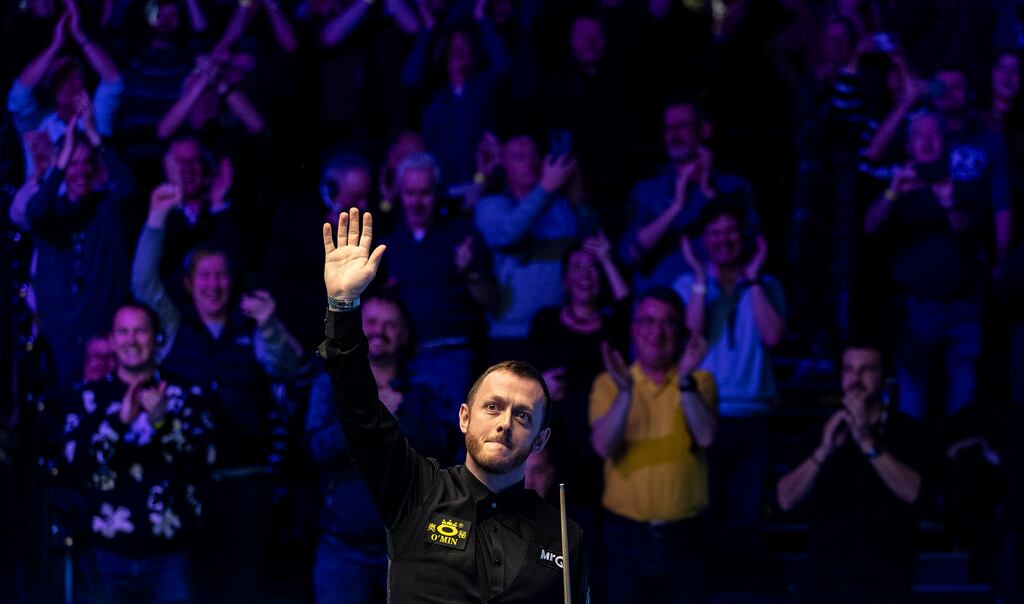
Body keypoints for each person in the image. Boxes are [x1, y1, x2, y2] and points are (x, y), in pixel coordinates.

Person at [317, 207, 588, 603]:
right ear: (464, 417)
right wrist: (342, 306)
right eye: (492, 407)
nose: (505, 423)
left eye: (523, 415)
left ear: (541, 440)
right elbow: (360, 412)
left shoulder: (564, 535)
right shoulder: (417, 491)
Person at [132, 183, 301, 603]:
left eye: (221, 275)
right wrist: (155, 221)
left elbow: (286, 366)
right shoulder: (172, 328)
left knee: (246, 586)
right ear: (189, 284)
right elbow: (143, 284)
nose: (214, 284)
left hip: (247, 478)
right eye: (204, 276)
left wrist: (270, 324)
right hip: (190, 480)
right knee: (197, 587)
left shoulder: (252, 325)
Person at [306, 293, 456, 604]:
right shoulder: (330, 384)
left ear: (404, 335)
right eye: (371, 322)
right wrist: (368, 414)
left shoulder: (427, 387)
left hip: (411, 550)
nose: (378, 331)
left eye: (390, 326)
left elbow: (443, 451)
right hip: (343, 549)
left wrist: (402, 420)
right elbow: (317, 449)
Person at [61, 303, 214, 604]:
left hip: (170, 555)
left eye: (141, 331)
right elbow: (71, 463)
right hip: (105, 554)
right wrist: (119, 423)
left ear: (157, 337)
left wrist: (161, 421)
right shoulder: (89, 397)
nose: (131, 340)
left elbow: (204, 457)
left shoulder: (184, 393)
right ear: (113, 340)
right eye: (123, 332)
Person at [674, 203, 785, 580]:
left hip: (753, 415)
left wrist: (752, 280)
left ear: (745, 236)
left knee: (746, 515)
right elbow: (692, 338)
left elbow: (773, 336)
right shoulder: (688, 285)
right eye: (716, 233)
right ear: (704, 240)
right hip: (704, 414)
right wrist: (700, 277)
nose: (724, 240)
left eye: (731, 231)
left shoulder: (766, 286)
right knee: (707, 511)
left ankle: (742, 587)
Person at [589, 288, 717, 603]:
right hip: (624, 539)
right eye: (647, 321)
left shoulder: (700, 381)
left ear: (680, 332)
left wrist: (685, 381)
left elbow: (706, 437)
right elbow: (603, 446)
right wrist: (625, 392)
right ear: (633, 329)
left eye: (667, 323)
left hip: (685, 538)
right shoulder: (608, 383)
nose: (656, 333)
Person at [776, 344, 928, 603]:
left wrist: (867, 442)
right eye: (849, 370)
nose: (856, 379)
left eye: (867, 369)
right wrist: (823, 451)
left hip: (887, 580)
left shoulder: (908, 432)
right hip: (825, 581)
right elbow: (786, 499)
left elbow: (914, 493)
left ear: (884, 377)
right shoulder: (820, 433)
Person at [863, 112, 984, 419]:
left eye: (934, 135)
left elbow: (971, 233)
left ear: (945, 141)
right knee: (913, 407)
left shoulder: (964, 178)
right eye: (919, 135)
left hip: (962, 309)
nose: (927, 142)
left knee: (963, 405)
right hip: (914, 313)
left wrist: (949, 204)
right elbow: (871, 226)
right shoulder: (900, 182)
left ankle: (961, 463)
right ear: (908, 144)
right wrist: (893, 192)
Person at [25, 111, 135, 388]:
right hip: (60, 335)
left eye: (87, 163)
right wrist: (58, 166)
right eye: (73, 164)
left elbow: (128, 187)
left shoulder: (107, 207)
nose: (81, 171)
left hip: (101, 333)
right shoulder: (52, 211)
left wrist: (96, 138)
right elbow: (34, 211)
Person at [380, 152, 497, 410]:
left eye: (425, 193)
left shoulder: (461, 235)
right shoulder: (388, 240)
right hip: (403, 358)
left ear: (438, 193)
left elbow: (491, 300)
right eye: (410, 193)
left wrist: (468, 272)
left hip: (452, 354)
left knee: (451, 434)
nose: (417, 202)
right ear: (399, 193)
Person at [619, 99, 759, 293]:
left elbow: (749, 248)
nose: (674, 135)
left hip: (716, 303)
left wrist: (708, 191)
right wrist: (676, 207)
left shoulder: (734, 188)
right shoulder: (646, 190)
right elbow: (629, 255)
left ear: (705, 130)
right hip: (660, 309)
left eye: (682, 126)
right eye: (668, 129)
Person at [474, 135, 593, 361]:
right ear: (504, 165)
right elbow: (506, 234)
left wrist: (577, 186)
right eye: (520, 157)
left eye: (534, 156)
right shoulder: (490, 206)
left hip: (558, 326)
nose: (530, 162)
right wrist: (545, 188)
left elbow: (587, 244)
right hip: (510, 333)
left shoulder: (562, 207)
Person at [6, 0, 123, 177]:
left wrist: (78, 34)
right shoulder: (38, 123)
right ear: (49, 87)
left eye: (77, 77)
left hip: (91, 201)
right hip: (45, 202)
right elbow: (18, 95)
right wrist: (55, 45)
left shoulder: (95, 117)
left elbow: (114, 82)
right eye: (63, 79)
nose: (71, 84)